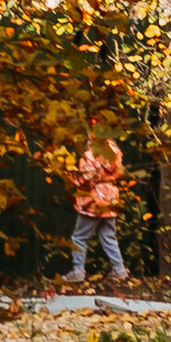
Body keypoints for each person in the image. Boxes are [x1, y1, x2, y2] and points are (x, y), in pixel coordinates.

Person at [66, 125, 130, 291]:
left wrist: (71, 176)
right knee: (109, 236)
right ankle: (119, 270)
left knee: (80, 237)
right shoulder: (115, 153)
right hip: (110, 199)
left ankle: (78, 271)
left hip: (92, 200)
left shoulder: (90, 157)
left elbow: (82, 180)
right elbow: (119, 172)